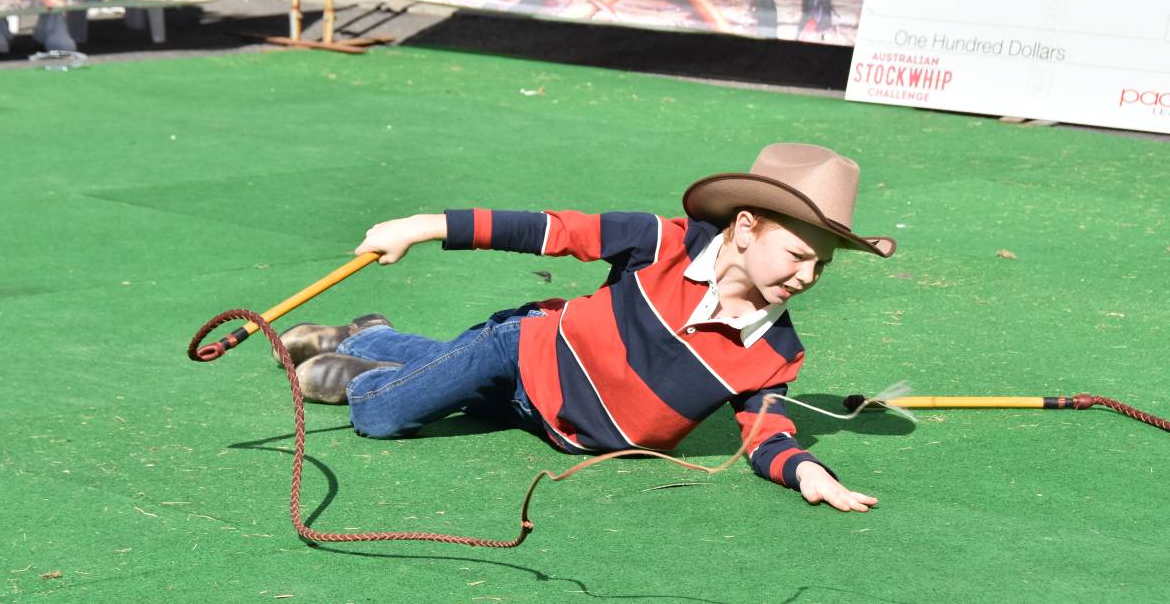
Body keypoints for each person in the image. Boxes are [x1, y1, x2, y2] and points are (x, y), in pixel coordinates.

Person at [282, 143, 896, 512]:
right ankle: (362, 372)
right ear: (743, 227)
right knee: (379, 418)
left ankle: (368, 337)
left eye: (823, 263)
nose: (809, 274)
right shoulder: (661, 243)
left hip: (559, 427)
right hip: (524, 355)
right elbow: (550, 231)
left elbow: (766, 435)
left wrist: (807, 472)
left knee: (449, 373)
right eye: (797, 255)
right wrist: (421, 225)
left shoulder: (776, 352)